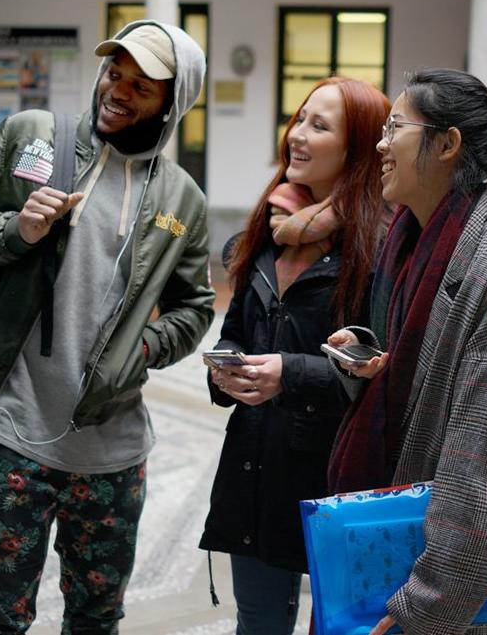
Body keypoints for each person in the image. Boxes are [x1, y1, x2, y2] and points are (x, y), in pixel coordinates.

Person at [0, 20, 214, 633]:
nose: (118, 90)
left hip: (111, 456)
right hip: (9, 432)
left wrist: (143, 349)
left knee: (96, 620)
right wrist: (16, 229)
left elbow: (195, 308)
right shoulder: (30, 135)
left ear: (174, 103)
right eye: (115, 73)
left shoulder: (183, 201)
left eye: (143, 86)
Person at [325, 68, 487, 634]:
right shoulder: (410, 243)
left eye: (395, 127)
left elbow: (481, 465)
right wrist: (371, 359)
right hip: (410, 555)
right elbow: (423, 377)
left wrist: (426, 606)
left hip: (467, 599)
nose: (380, 144)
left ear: (448, 145)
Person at [198, 77, 392, 634]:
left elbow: (378, 372)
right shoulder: (271, 228)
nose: (297, 137)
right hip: (254, 463)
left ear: (356, 148)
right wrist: (227, 370)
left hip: (333, 471)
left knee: (340, 622)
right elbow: (234, 330)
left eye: (319, 125)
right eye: (299, 119)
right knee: (257, 622)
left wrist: (291, 374)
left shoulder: (377, 245)